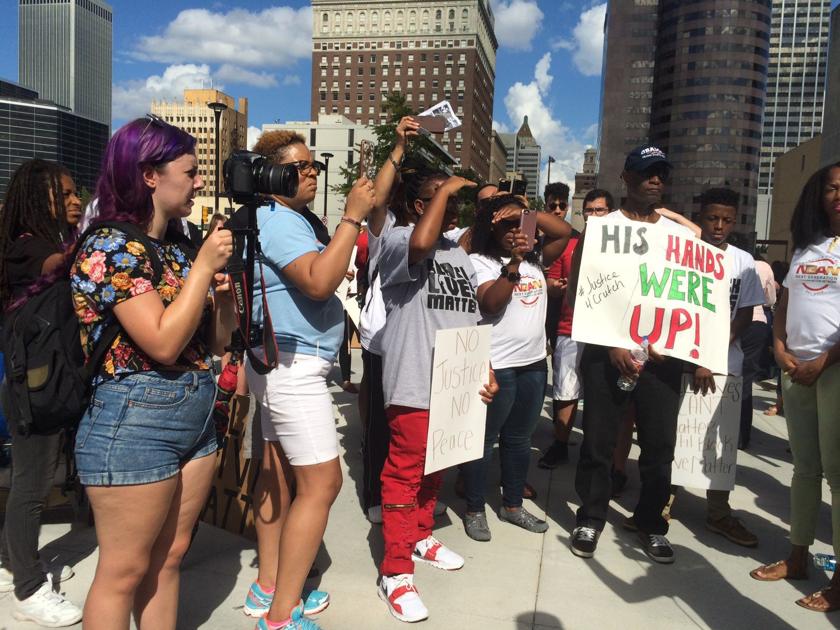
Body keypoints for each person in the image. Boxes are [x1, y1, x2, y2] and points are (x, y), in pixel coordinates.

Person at [70, 116, 236, 630]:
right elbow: (162, 343)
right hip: (133, 420)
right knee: (124, 570)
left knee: (170, 556)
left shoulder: (174, 250)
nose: (199, 182)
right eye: (190, 171)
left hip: (194, 415)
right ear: (149, 175)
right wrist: (204, 269)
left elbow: (216, 344)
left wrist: (222, 301)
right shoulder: (110, 247)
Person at [242, 130, 375, 630]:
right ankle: (280, 617)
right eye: (299, 167)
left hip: (282, 363)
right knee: (322, 483)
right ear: (271, 175)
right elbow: (319, 281)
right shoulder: (277, 220)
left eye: (312, 164)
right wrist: (352, 216)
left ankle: (269, 587)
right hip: (293, 367)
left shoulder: (281, 219)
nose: (311, 173)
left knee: (277, 476)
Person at [376, 171, 497, 622]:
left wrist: (483, 368)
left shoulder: (459, 257)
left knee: (436, 466)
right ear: (413, 205)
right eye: (435, 199)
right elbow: (420, 247)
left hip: (455, 383)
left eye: (449, 201)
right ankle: (395, 570)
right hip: (413, 380)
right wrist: (446, 188)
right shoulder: (397, 239)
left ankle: (421, 535)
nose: (448, 208)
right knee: (405, 474)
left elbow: (469, 318)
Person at [567, 145, 688, 564]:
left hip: (661, 361)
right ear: (626, 178)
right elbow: (579, 292)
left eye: (661, 173)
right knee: (598, 442)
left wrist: (672, 344)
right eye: (646, 173)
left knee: (659, 448)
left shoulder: (677, 237)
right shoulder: (600, 230)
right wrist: (611, 344)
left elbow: (689, 301)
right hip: (607, 357)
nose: (655, 180)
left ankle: (651, 522)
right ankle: (591, 516)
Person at [750, 163, 840, 613]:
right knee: (805, 470)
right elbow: (785, 302)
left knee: (839, 478)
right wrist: (780, 347)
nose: (839, 195)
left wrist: (824, 360)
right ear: (818, 196)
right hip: (796, 367)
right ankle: (799, 555)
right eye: (832, 188)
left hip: (834, 369)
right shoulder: (807, 247)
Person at [0, 159, 83, 627]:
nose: (75, 201)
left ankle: (10, 561)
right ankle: (28, 588)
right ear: (37, 201)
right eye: (64, 194)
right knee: (31, 486)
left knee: (32, 481)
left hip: (43, 383)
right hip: (33, 389)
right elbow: (58, 267)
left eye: (77, 193)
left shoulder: (49, 244)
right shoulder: (30, 249)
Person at [460, 193, 570, 541]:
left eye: (517, 224)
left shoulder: (537, 258)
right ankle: (475, 508)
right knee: (486, 440)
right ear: (490, 229)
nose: (513, 231)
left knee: (519, 440)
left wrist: (528, 212)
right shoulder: (480, 261)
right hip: (498, 365)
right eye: (505, 225)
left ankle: (512, 506)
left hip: (534, 365)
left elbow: (565, 232)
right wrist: (514, 263)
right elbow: (491, 304)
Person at [689, 188, 763, 547]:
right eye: (711, 218)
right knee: (679, 437)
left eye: (726, 220)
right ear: (700, 217)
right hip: (682, 361)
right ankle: (662, 504)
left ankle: (719, 514)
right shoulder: (684, 252)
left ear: (734, 221)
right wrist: (696, 356)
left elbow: (745, 315)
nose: (719, 226)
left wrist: (712, 355)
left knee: (722, 446)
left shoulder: (743, 262)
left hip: (725, 364)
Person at [358, 117, 421, 523]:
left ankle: (410, 491)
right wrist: (398, 148)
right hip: (384, 340)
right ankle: (377, 496)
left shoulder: (445, 237)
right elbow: (375, 199)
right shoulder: (389, 228)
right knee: (382, 426)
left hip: (419, 344)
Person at [539, 188, 613, 469]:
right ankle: (560, 444)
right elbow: (552, 284)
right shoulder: (568, 245)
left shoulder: (622, 247)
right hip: (570, 328)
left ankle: (594, 453)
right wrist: (555, 287)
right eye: (589, 211)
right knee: (564, 391)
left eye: (600, 210)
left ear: (610, 213)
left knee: (600, 396)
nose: (593, 215)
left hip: (607, 334)